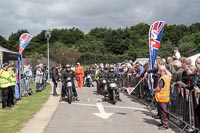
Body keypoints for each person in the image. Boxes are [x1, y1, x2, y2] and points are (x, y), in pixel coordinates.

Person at [153, 65, 170, 130]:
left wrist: (154, 90)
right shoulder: (167, 77)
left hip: (162, 98)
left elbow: (159, 88)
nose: (158, 72)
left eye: (159, 70)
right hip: (165, 97)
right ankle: (163, 123)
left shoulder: (163, 78)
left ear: (161, 71)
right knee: (163, 112)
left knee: (163, 112)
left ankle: (165, 125)